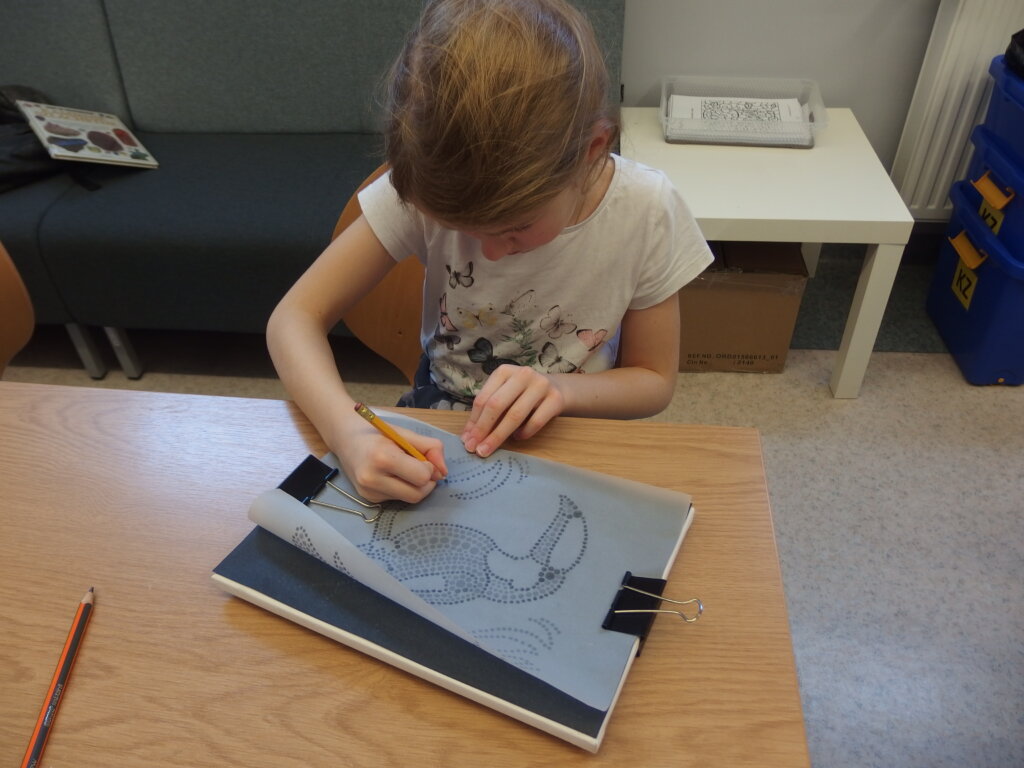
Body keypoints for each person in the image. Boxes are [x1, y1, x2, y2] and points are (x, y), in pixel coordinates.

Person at [267, 0, 713, 505]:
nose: (493, 255)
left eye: (516, 228)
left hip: (578, 419)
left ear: (591, 151)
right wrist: (348, 432)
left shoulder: (646, 210)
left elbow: (654, 381)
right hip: (444, 408)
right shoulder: (425, 185)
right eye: (461, 230)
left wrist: (560, 390)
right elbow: (293, 319)